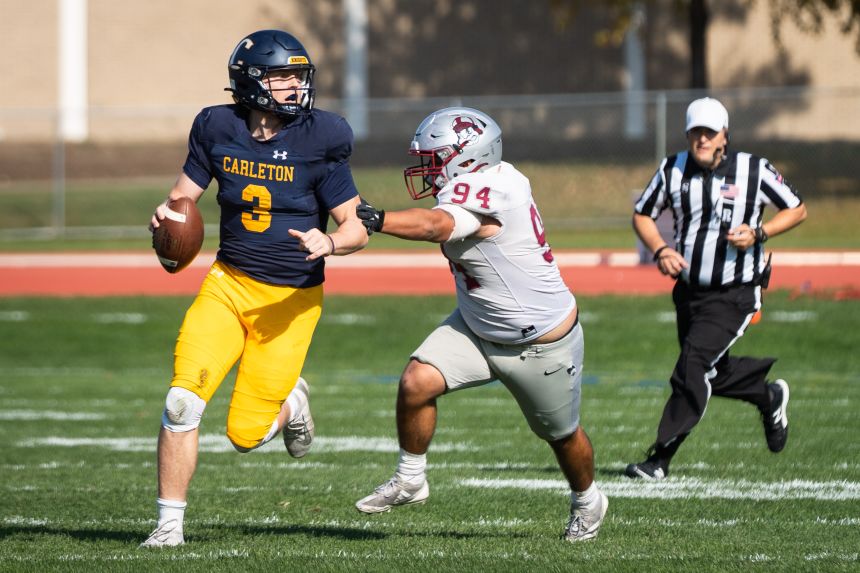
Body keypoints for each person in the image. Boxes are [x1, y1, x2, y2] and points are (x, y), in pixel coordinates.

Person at [140, 29, 368, 547]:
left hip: (290, 300)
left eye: (298, 75)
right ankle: (169, 526)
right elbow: (182, 200)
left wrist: (331, 244)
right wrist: (164, 218)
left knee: (245, 436)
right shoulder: (217, 127)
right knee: (181, 402)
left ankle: (295, 402)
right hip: (228, 284)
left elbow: (356, 225)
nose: (295, 86)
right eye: (283, 75)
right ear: (252, 81)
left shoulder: (320, 137)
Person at [354, 107, 608, 542]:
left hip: (540, 343)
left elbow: (439, 224)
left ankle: (588, 501)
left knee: (562, 437)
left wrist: (380, 220)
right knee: (417, 381)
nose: (426, 169)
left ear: (466, 157)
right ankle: (411, 478)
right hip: (477, 327)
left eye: (434, 159)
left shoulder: (489, 194)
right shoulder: (494, 178)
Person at [626, 97, 807, 480]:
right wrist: (660, 249)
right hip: (690, 291)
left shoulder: (752, 170)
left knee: (691, 366)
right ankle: (767, 395)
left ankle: (659, 459)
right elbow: (642, 213)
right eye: (696, 132)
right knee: (709, 371)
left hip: (736, 291)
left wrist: (760, 232)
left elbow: (796, 208)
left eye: (709, 132)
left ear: (725, 134)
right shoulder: (672, 169)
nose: (702, 140)